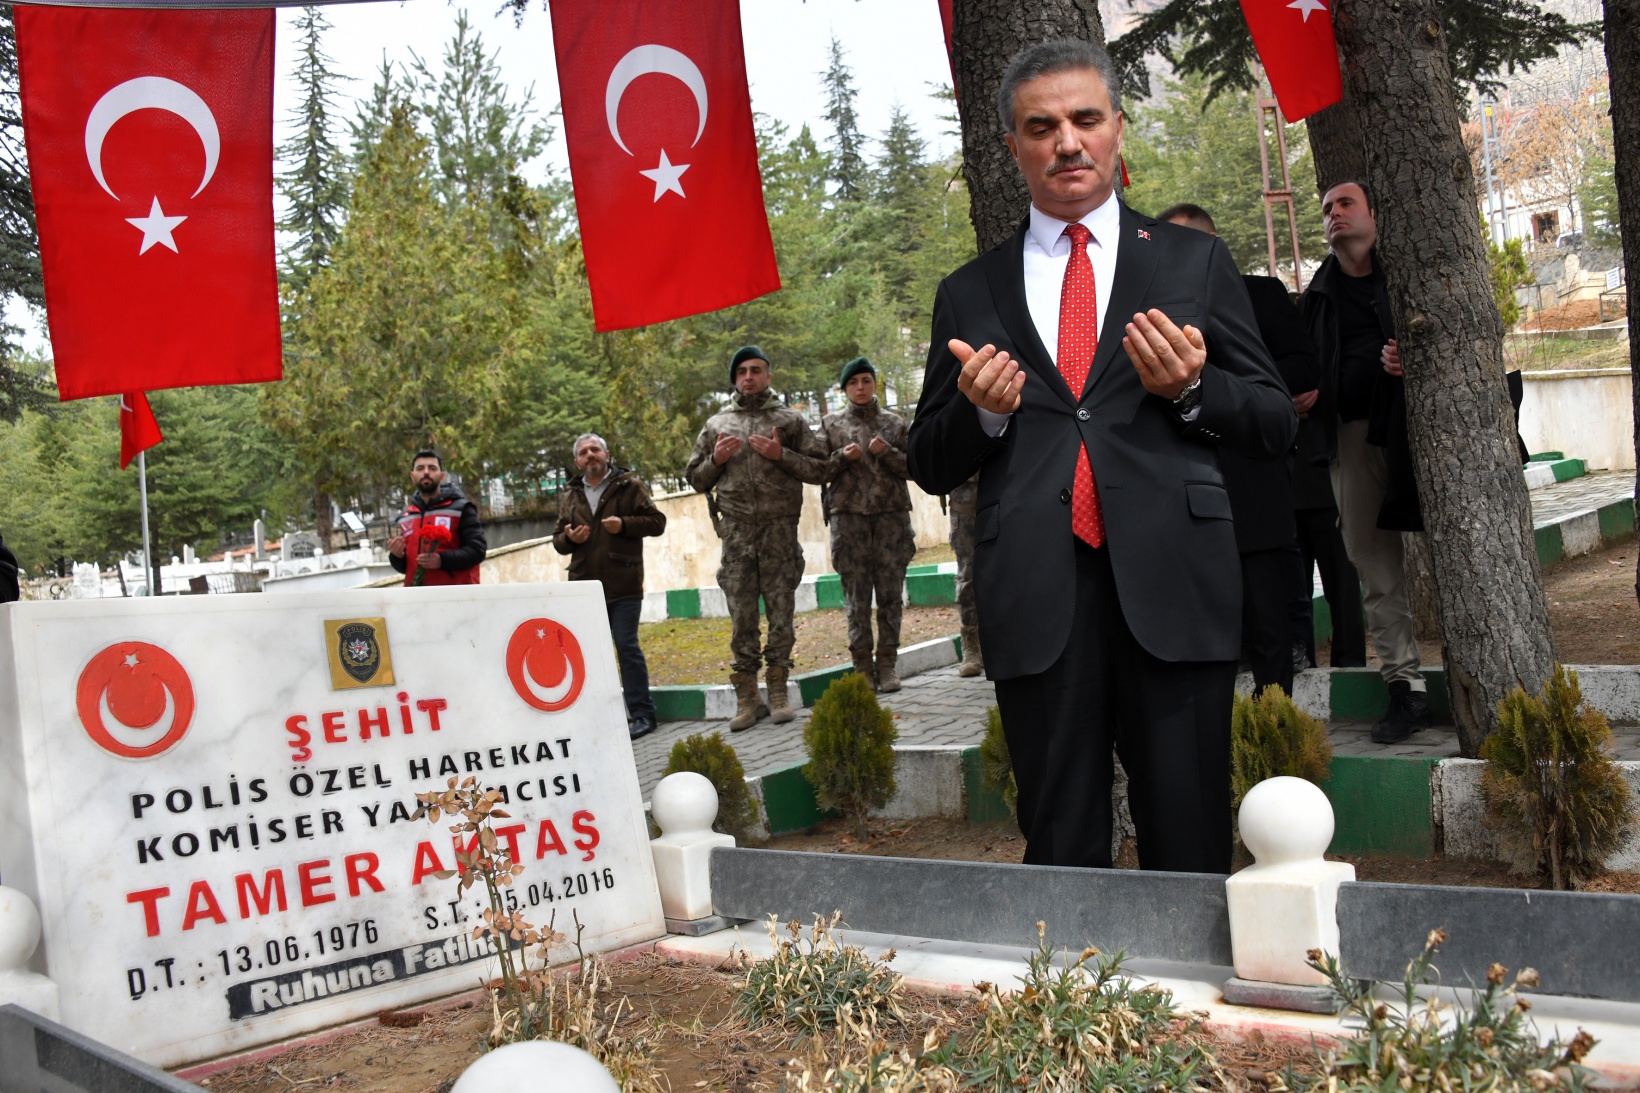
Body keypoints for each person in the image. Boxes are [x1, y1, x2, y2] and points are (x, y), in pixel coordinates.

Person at [906, 39, 1296, 875]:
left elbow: (1272, 419)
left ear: (1118, 129)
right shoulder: (970, 292)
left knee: (1189, 835)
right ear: (1012, 147)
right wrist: (981, 415)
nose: (1067, 142)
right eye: (1040, 127)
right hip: (1038, 597)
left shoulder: (1192, 261)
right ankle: (1078, 1004)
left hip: (1175, 584)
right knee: (1061, 841)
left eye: (1085, 119)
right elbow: (928, 459)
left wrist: (1195, 390)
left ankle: (1188, 1000)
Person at [1158, 202, 1315, 696]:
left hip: (1253, 484)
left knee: (1271, 624)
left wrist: (1210, 389)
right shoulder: (1150, 311)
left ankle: (1275, 724)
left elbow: (1298, 372)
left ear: (1213, 245)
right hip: (1183, 497)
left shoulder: (1260, 294)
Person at [1299, 181, 1430, 743]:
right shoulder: (1318, 294)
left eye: (1345, 204)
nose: (1334, 215)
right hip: (1352, 439)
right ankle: (1406, 689)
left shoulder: (1408, 274)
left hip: (1423, 432)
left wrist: (1415, 358)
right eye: (1327, 209)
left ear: (1375, 213)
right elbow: (1301, 367)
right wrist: (1301, 396)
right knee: (1373, 566)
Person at [684, 346, 830, 731]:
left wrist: (781, 455)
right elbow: (695, 478)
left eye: (756, 370)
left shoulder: (790, 420)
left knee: (781, 613)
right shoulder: (717, 424)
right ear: (734, 379)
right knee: (741, 618)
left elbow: (820, 470)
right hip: (736, 537)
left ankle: (778, 688)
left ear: (768, 376)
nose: (749, 376)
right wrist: (715, 460)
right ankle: (748, 697)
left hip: (779, 534)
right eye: (742, 371)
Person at [553, 433, 668, 739]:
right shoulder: (571, 494)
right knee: (589, 654)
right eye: (583, 452)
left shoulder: (629, 486)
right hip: (584, 588)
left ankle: (643, 714)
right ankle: (601, 717)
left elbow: (657, 522)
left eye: (595, 450)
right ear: (577, 461)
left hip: (624, 584)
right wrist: (570, 539)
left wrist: (625, 525)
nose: (590, 455)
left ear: (606, 454)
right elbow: (558, 541)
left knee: (626, 646)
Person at [818, 357, 916, 692]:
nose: (860, 388)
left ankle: (887, 665)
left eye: (866, 380)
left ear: (875, 383)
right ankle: (861, 667)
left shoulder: (895, 423)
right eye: (853, 383)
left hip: (891, 522)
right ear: (844, 389)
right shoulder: (830, 426)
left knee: (890, 595)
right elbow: (816, 471)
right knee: (856, 599)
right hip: (849, 524)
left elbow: (915, 468)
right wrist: (841, 458)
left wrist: (886, 452)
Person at [388, 449, 487, 585]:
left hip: (454, 596)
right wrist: (396, 557)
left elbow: (478, 551)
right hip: (417, 598)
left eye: (432, 468)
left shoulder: (461, 509)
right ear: (412, 476)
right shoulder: (406, 517)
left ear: (441, 476)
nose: (426, 472)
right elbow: (407, 567)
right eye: (420, 468)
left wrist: (442, 560)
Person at [948, 473, 985, 677]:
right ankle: (971, 648)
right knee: (968, 575)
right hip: (964, 503)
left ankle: (1000, 641)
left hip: (1003, 492)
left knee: (1005, 573)